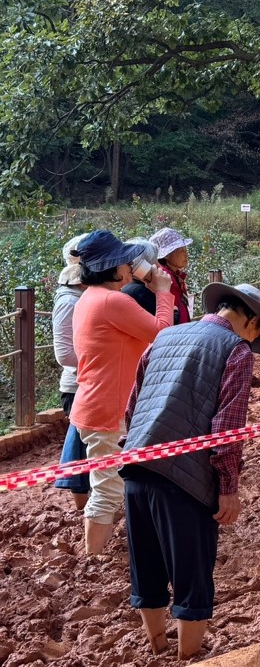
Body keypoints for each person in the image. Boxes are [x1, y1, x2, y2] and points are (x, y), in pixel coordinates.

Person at [120, 282, 260, 660]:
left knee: (147, 565)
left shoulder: (165, 337)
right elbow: (227, 427)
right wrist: (228, 486)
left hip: (135, 466)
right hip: (185, 482)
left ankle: (158, 645)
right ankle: (188, 660)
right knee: (192, 575)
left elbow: (133, 405)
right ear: (252, 322)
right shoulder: (236, 351)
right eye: (257, 333)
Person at [69, 230, 174, 554]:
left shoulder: (90, 299)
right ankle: (92, 557)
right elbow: (162, 334)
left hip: (96, 404)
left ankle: (103, 549)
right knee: (108, 487)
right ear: (112, 268)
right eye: (125, 262)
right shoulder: (113, 301)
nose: (131, 267)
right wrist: (163, 292)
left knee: (115, 481)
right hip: (109, 409)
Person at [52, 233, 91, 510]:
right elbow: (64, 353)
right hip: (78, 385)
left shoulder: (82, 296)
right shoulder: (68, 300)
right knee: (80, 449)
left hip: (89, 381)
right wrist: (102, 359)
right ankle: (82, 507)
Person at [122, 238, 175, 320]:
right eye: (153, 261)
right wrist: (175, 312)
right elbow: (168, 322)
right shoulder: (139, 292)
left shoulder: (132, 287)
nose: (159, 266)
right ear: (141, 266)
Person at [150, 227, 193, 323]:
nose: (186, 253)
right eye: (180, 249)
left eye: (185, 248)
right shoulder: (164, 276)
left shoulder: (175, 274)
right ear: (167, 254)